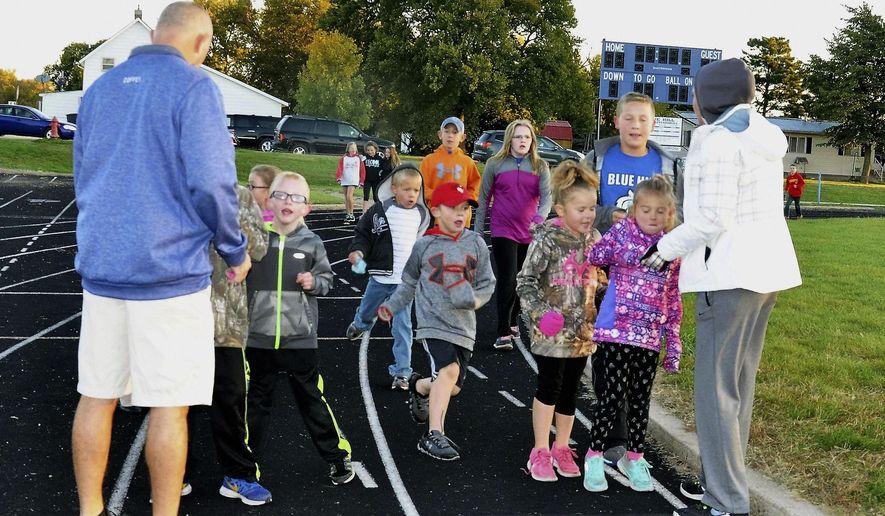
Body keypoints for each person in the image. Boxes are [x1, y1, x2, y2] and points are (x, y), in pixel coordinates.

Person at [71, 3, 251, 515]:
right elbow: (212, 183)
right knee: (169, 409)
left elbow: (83, 177)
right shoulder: (195, 87)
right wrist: (235, 249)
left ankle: (90, 510)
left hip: (104, 272)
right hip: (169, 278)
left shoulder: (100, 90)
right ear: (201, 44)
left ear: (154, 33)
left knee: (96, 395)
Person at [640, 58, 801, 516]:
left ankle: (726, 500)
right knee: (737, 386)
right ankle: (720, 482)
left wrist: (662, 250)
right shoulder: (759, 134)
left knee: (715, 392)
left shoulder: (717, 142)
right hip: (765, 273)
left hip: (730, 274)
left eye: (696, 92)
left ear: (710, 97)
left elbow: (712, 218)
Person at [582, 91, 683, 467]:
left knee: (635, 355)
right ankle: (601, 424)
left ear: (652, 124)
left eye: (643, 119)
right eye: (629, 118)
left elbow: (679, 214)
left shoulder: (667, 164)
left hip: (648, 274)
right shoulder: (599, 158)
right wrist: (611, 220)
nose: (636, 125)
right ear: (617, 121)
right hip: (606, 263)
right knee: (605, 353)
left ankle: (619, 435)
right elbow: (584, 200)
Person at [245, 172, 355, 486]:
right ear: (269, 200)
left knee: (310, 398)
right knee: (256, 402)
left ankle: (337, 455)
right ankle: (245, 463)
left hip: (300, 338)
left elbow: (327, 281)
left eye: (297, 198)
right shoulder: (255, 238)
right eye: (281, 195)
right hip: (259, 336)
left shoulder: (312, 242)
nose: (288, 202)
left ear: (307, 208)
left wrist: (313, 282)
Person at [378, 181, 495, 461]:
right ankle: (433, 434)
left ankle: (420, 387)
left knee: (451, 386)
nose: (460, 214)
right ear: (435, 210)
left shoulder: (476, 243)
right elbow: (408, 283)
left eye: (465, 208)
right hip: (432, 324)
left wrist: (476, 300)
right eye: (453, 208)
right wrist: (392, 306)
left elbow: (487, 283)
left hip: (464, 327)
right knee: (450, 371)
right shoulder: (425, 245)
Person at [515, 160, 605, 482]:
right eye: (580, 209)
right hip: (550, 334)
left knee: (570, 391)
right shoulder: (547, 239)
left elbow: (599, 279)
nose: (588, 215)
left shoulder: (594, 239)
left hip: (582, 334)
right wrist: (541, 314)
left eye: (592, 208)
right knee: (550, 387)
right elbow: (525, 282)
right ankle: (539, 449)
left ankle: (562, 447)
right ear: (560, 208)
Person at [203, 184, 273, 506]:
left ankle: (237, 475)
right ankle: (177, 473)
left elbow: (259, 247)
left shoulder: (241, 196)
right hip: (178, 312)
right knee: (175, 404)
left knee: (230, 399)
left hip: (227, 319)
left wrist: (234, 224)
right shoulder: (173, 185)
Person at [345, 164, 431, 390]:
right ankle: (360, 323)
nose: (412, 195)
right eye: (406, 189)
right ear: (394, 189)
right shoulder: (380, 211)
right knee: (367, 308)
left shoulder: (421, 215)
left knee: (402, 327)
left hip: (404, 286)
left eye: (416, 190)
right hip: (380, 278)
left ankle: (402, 371)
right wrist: (358, 252)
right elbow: (363, 233)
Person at [474, 119, 552, 352]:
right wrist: (477, 232)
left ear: (532, 141)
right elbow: (483, 199)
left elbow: (547, 198)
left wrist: (539, 220)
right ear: (510, 139)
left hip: (529, 232)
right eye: (518, 137)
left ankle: (514, 316)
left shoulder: (541, 166)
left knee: (522, 278)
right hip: (502, 229)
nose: (523, 141)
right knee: (507, 278)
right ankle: (503, 332)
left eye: (527, 137)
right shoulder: (494, 164)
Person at [419, 116, 482, 225]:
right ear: (440, 134)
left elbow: (475, 187)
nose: (450, 136)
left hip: (460, 219)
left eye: (455, 132)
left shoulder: (468, 162)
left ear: (462, 137)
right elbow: (422, 188)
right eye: (446, 131)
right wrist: (441, 196)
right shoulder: (429, 160)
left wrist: (464, 199)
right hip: (436, 218)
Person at [336, 142, 365, 224]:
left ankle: (352, 213)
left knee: (349, 196)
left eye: (354, 148)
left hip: (353, 180)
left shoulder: (359, 158)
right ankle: (348, 214)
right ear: (348, 149)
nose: (353, 150)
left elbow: (362, 171)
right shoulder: (343, 158)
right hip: (345, 179)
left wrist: (361, 181)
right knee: (346, 197)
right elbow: (340, 168)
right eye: (351, 148)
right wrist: (339, 177)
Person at [362, 141, 386, 211]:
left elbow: (384, 167)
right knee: (366, 196)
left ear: (376, 150)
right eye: (368, 150)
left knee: (376, 197)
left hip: (376, 180)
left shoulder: (379, 158)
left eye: (372, 150)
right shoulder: (364, 158)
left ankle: (377, 211)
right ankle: (364, 212)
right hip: (367, 180)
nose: (370, 152)